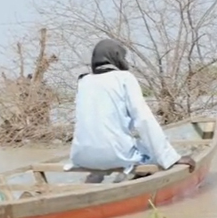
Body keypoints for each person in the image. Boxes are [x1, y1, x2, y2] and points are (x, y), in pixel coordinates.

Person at [69, 38, 196, 183]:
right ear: (117, 57)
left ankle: (98, 173)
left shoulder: (83, 81)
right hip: (115, 155)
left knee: (114, 144)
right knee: (150, 154)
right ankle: (125, 178)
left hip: (80, 157)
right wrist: (171, 158)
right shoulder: (124, 78)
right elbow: (144, 120)